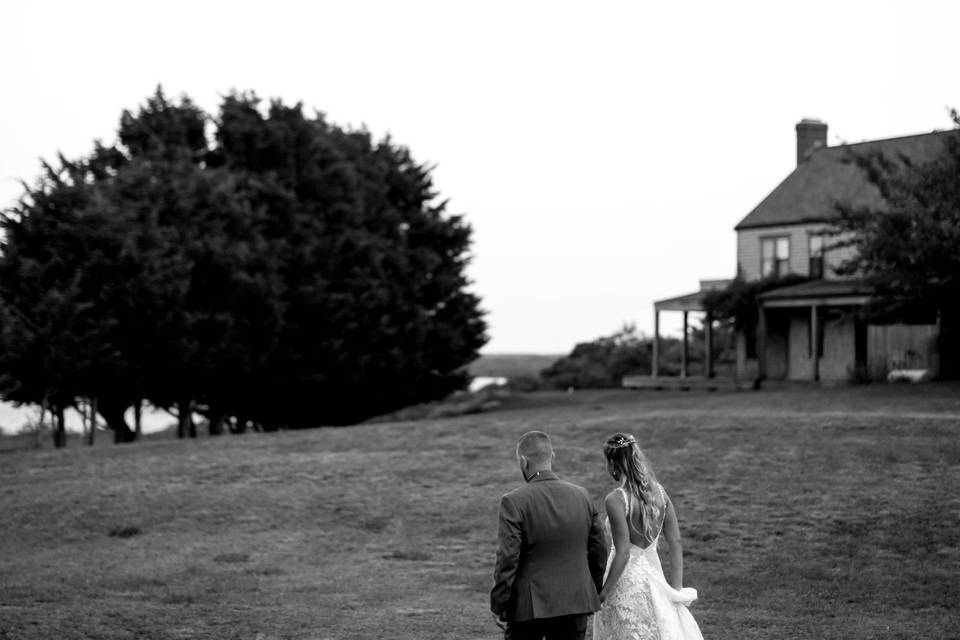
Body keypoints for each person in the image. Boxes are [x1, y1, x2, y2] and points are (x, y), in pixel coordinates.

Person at [491, 430, 608, 640]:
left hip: (528, 608)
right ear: (552, 458)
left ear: (523, 462)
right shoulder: (582, 495)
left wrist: (500, 603)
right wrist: (594, 588)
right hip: (575, 601)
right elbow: (598, 550)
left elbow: (508, 557)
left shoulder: (514, 501)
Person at [593, 433, 704, 640]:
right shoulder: (661, 493)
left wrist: (603, 593)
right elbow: (676, 542)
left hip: (624, 583)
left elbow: (624, 553)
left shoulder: (616, 499)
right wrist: (676, 588)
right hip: (655, 579)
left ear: (613, 463)